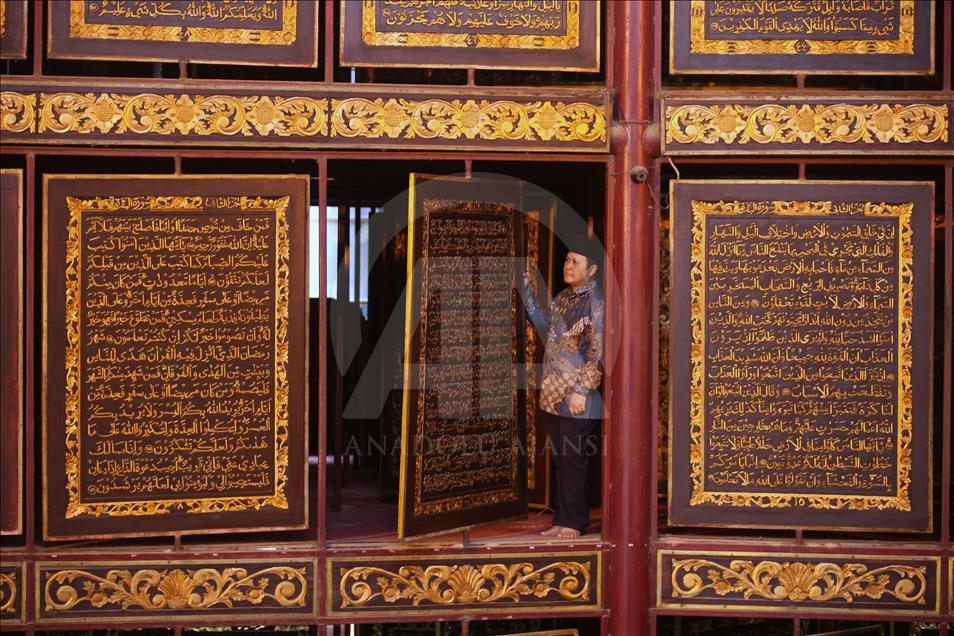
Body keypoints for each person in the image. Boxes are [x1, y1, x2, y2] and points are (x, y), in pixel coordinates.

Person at [524, 237, 604, 539]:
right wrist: (527, 290)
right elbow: (545, 323)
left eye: (575, 262)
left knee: (574, 460)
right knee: (560, 459)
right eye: (567, 260)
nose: (567, 266)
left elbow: (596, 351)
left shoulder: (596, 304)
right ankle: (561, 519)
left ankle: (573, 522)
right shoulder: (563, 298)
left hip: (577, 397)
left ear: (592, 269)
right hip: (554, 394)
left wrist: (582, 391)